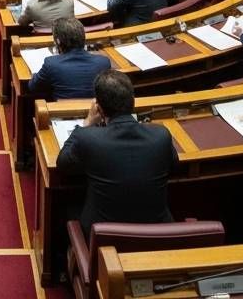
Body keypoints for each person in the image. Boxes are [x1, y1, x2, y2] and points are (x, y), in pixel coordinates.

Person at [57, 69, 177, 238]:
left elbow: (62, 164)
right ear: (133, 102)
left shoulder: (87, 137)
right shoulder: (161, 135)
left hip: (102, 237)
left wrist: (87, 123)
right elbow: (174, 167)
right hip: (156, 235)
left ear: (99, 108)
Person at [29, 17, 111, 100]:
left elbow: (33, 87)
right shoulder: (104, 62)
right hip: (95, 111)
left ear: (58, 41)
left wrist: (35, 75)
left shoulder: (51, 64)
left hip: (62, 112)